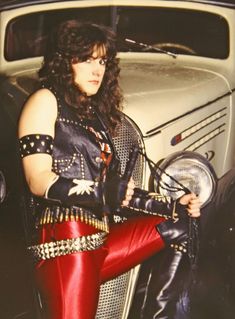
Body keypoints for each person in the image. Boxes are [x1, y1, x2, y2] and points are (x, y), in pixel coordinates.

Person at [18, 20, 201, 319]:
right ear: (66, 61)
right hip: (67, 243)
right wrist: (103, 191)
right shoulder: (44, 100)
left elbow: (119, 193)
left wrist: (170, 204)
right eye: (86, 59)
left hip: (101, 240)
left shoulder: (94, 116)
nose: (97, 70)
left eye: (102, 61)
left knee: (180, 225)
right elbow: (37, 179)